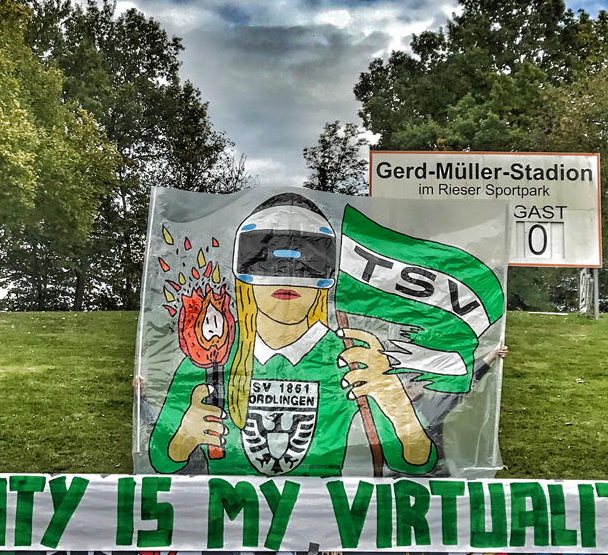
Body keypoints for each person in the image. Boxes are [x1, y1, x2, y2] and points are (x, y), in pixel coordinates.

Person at [149, 192, 437, 477]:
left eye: (309, 261)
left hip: (323, 505)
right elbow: (160, 459)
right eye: (264, 257)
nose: (287, 274)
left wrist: (398, 407)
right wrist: (184, 437)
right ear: (242, 268)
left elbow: (414, 462)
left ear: (328, 273)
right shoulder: (214, 352)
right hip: (230, 505)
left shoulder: (351, 359)